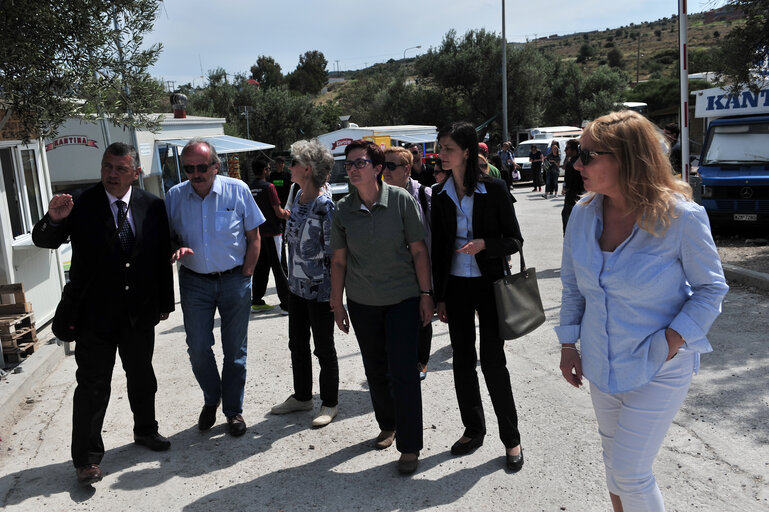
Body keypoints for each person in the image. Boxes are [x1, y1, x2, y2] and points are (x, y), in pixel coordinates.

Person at [557, 110, 729, 511]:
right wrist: (569, 345)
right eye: (578, 154)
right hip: (601, 364)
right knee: (613, 467)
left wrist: (672, 340)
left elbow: (711, 287)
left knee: (631, 473)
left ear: (626, 158)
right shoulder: (582, 214)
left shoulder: (680, 217)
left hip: (658, 367)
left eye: (588, 155)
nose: (576, 163)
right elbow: (572, 286)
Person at [32, 142, 175, 486]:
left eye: (120, 169)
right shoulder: (79, 202)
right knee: (93, 386)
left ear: (135, 173)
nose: (112, 174)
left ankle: (146, 430)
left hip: (138, 314)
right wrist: (53, 219)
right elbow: (44, 240)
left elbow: (159, 257)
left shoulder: (152, 206)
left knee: (142, 377)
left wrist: (165, 305)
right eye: (107, 166)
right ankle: (86, 459)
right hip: (94, 317)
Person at [330, 139, 433, 475]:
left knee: (404, 372)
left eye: (360, 163)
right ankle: (387, 425)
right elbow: (340, 261)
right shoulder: (343, 209)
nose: (353, 169)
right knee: (375, 370)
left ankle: (410, 447)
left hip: (402, 299)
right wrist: (337, 301)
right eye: (349, 164)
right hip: (363, 303)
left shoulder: (402, 200)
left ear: (377, 169)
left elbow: (419, 251)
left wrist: (426, 294)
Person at [431, 121, 525, 473]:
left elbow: (515, 240)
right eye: (441, 149)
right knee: (461, 361)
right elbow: (439, 249)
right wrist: (439, 296)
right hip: (456, 288)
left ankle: (511, 438)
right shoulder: (439, 195)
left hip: (489, 285)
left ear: (467, 152)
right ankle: (473, 430)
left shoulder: (495, 189)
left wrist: (486, 243)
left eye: (448, 149)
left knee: (493, 362)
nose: (441, 155)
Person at [165, 139, 265, 437]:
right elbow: (166, 236)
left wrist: (246, 273)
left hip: (235, 279)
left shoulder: (238, 190)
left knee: (235, 351)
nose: (195, 174)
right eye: (189, 168)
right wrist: (175, 247)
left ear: (215, 166)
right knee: (197, 348)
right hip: (195, 282)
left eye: (201, 167)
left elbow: (254, 236)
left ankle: (233, 410)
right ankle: (212, 397)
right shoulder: (174, 197)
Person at [270, 139, 340, 428]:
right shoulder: (296, 197)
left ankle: (330, 402)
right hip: (296, 288)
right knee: (296, 343)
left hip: (320, 291)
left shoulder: (325, 205)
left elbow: (335, 254)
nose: (290, 167)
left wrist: (336, 295)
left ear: (308, 169)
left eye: (295, 163)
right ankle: (302, 397)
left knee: (323, 347)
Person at [382, 146, 434, 381]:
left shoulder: (425, 195)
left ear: (406, 169)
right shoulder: (379, 196)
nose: (385, 171)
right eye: (383, 166)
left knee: (422, 320)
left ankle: (420, 362)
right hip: (393, 274)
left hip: (421, 272)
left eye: (391, 166)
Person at [250, 159, 291, 314]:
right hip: (273, 233)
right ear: (266, 170)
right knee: (280, 267)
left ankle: (257, 301)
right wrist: (289, 214)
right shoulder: (269, 187)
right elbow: (278, 212)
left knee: (261, 268)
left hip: (257, 235)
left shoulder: (249, 188)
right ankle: (287, 304)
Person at [560, 139, 584, 234]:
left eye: (567, 148)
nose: (565, 150)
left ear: (574, 150)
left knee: (568, 228)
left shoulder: (571, 165)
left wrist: (565, 188)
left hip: (571, 199)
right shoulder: (583, 161)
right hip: (583, 197)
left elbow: (568, 184)